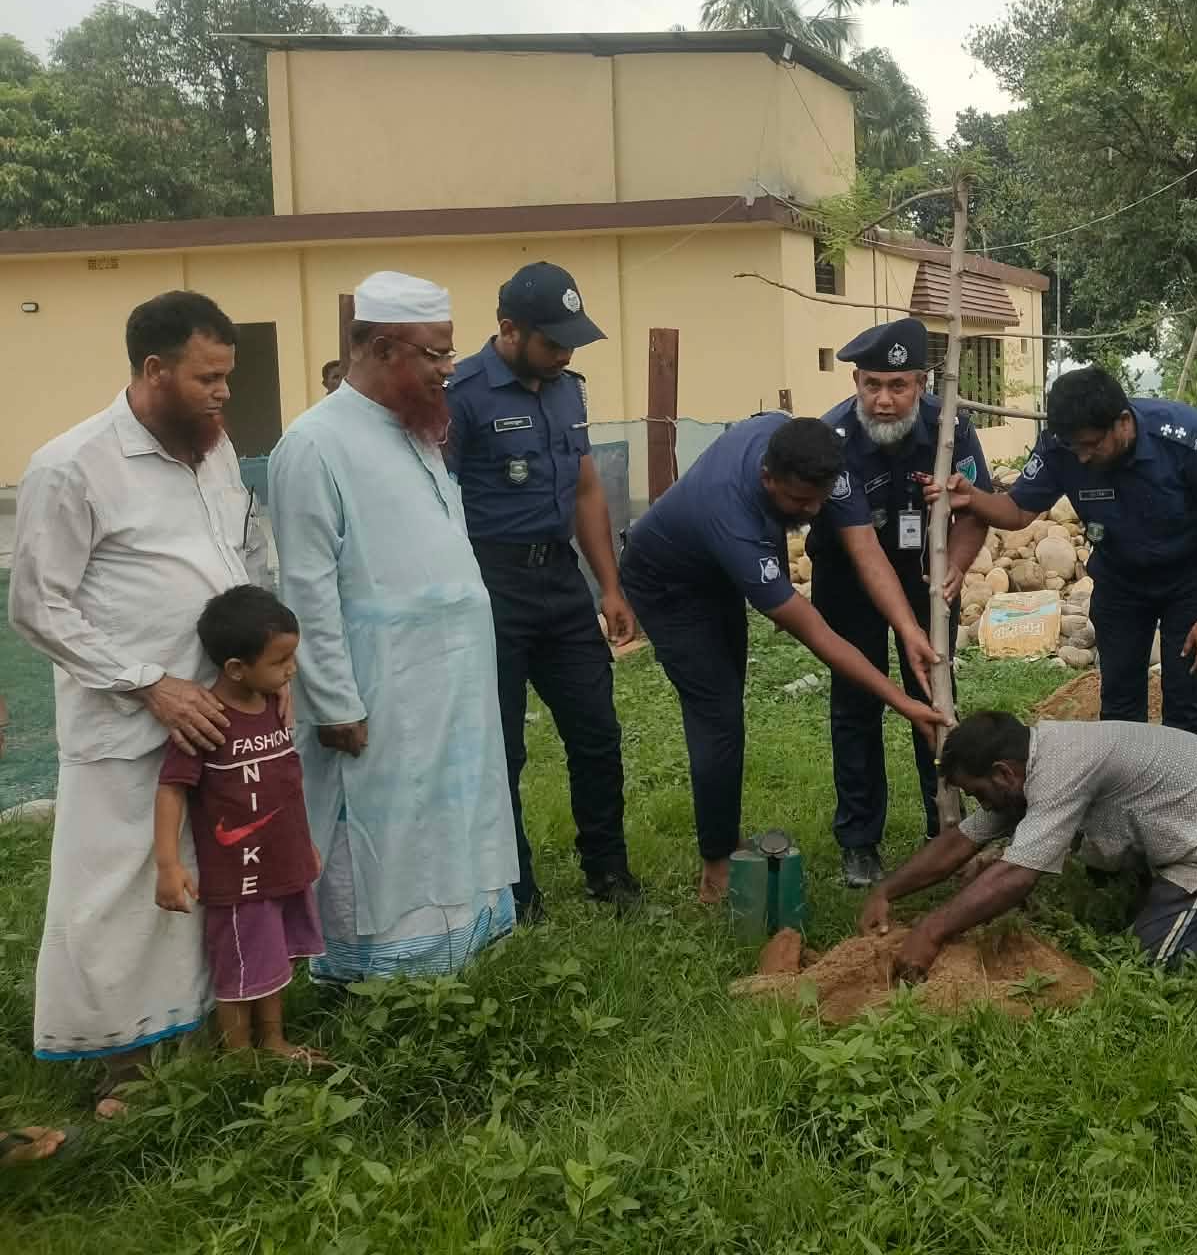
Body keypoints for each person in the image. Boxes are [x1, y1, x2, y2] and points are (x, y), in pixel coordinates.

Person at [10, 291, 265, 1115]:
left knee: (203, 876)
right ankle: (121, 1065)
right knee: (119, 896)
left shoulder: (214, 451)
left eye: (227, 376)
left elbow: (240, 555)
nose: (223, 393)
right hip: (127, 721)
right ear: (154, 370)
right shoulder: (72, 465)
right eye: (206, 378)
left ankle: (198, 1039)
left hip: (216, 712)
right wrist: (147, 682)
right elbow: (38, 606)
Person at [270, 271, 519, 981]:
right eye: (435, 354)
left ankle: (463, 950)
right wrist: (334, 702)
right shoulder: (314, 444)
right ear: (381, 348)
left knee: (457, 813)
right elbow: (307, 587)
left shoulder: (417, 432)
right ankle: (383, 978)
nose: (449, 369)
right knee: (387, 832)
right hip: (380, 688)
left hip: (452, 681)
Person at [621, 412, 950, 905]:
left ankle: (724, 835)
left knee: (727, 704)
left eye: (820, 499)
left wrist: (908, 629)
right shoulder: (732, 517)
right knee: (719, 716)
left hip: (718, 568)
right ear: (767, 477)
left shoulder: (808, 449)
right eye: (799, 501)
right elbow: (820, 636)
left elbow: (864, 545)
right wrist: (903, 703)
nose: (813, 510)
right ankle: (717, 866)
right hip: (669, 584)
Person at [445, 262, 639, 923]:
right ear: (509, 330)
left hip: (560, 578)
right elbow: (438, 499)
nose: (565, 355)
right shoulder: (462, 395)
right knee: (502, 747)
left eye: (572, 343)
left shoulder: (567, 392)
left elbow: (585, 489)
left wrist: (609, 586)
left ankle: (608, 870)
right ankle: (515, 889)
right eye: (553, 342)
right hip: (490, 583)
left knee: (596, 731)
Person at [859, 709, 1197, 977]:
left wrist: (931, 931)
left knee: (1158, 956)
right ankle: (1177, 897)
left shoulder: (1060, 772)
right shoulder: (1035, 759)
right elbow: (961, 841)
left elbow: (1017, 876)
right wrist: (887, 891)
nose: (982, 805)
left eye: (978, 793)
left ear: (1003, 773)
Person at [933, 366, 1197, 736]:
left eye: (1092, 444)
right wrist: (974, 497)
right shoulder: (1060, 446)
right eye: (1074, 447)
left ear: (1122, 422)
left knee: (1185, 704)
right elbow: (1017, 511)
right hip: (1119, 582)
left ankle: (1184, 774)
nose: (1081, 457)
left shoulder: (1186, 438)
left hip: (1185, 582)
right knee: (1119, 704)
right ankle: (1124, 774)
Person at [814, 318, 989, 886]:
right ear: (856, 383)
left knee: (933, 694)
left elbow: (975, 508)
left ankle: (944, 824)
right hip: (849, 577)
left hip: (925, 577)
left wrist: (956, 563)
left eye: (897, 386)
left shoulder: (950, 429)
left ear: (921, 382)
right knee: (857, 700)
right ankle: (859, 840)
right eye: (871, 385)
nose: (883, 400)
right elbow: (859, 546)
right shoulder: (834, 439)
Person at [153, 586, 325, 1064]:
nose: (292, 670)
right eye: (280, 661)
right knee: (240, 968)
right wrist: (168, 864)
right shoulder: (208, 721)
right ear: (235, 669)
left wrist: (304, 845)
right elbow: (171, 789)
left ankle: (273, 1041)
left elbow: (286, 786)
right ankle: (238, 1056)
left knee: (273, 960)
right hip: (239, 879)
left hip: (283, 864)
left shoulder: (273, 706)